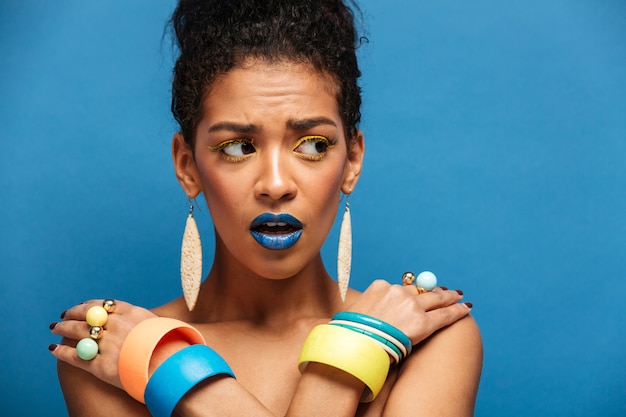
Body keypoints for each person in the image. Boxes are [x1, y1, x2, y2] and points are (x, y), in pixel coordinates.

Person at [49, 1, 483, 415]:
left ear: (352, 160)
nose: (275, 185)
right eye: (238, 147)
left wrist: (176, 374)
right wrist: (353, 356)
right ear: (188, 166)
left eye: (312, 144)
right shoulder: (107, 353)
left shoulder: (426, 336)